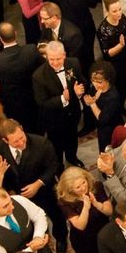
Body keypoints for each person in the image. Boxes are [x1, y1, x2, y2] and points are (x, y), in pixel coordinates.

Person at [0, 119, 69, 253]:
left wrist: (38, 184)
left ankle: (61, 238)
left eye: (22, 137)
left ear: (22, 128)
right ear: (5, 140)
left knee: (56, 216)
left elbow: (53, 166)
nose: (22, 143)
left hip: (45, 192)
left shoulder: (41, 143)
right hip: (19, 196)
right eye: (16, 142)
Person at [57, 166, 113, 253]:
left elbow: (109, 212)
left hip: (104, 231)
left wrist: (97, 204)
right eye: (78, 187)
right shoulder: (65, 201)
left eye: (84, 182)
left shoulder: (97, 186)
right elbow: (80, 225)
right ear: (70, 189)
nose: (83, 187)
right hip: (84, 239)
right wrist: (86, 207)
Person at [33, 40, 87, 168]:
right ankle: (58, 167)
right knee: (56, 145)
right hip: (54, 119)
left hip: (73, 113)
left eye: (58, 59)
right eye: (51, 59)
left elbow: (83, 81)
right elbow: (41, 101)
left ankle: (72, 158)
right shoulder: (39, 76)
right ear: (46, 56)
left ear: (64, 55)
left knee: (73, 139)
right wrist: (62, 99)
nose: (55, 63)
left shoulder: (73, 63)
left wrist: (79, 91)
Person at [97, 0, 126, 99]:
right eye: (114, 11)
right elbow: (107, 53)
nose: (118, 13)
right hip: (115, 62)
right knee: (120, 86)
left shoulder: (122, 18)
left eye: (119, 9)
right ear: (107, 11)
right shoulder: (103, 29)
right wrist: (120, 46)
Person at [84, 61, 123, 152]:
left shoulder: (113, 96)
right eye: (93, 81)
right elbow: (91, 99)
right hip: (101, 128)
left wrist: (92, 104)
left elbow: (102, 118)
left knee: (108, 152)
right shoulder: (95, 88)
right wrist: (88, 102)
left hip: (111, 130)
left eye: (100, 82)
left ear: (108, 80)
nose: (95, 84)